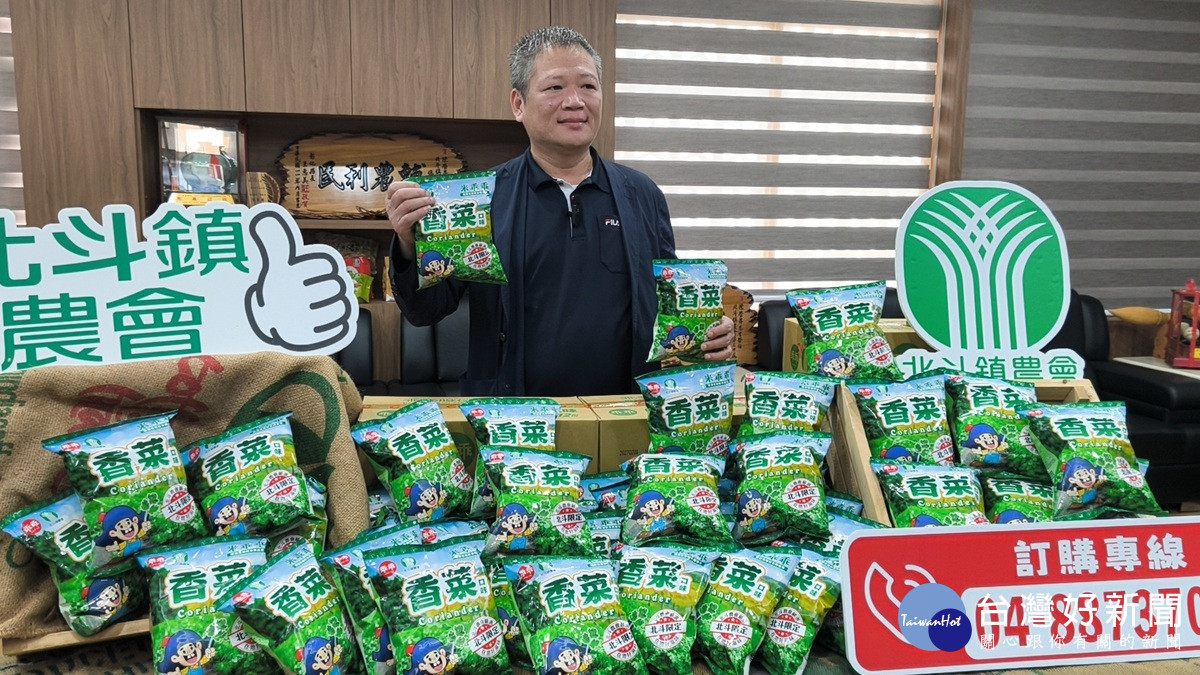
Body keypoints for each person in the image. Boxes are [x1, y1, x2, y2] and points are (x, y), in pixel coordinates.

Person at [385, 26, 734, 396]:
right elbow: (425, 311)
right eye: (555, 87)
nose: (575, 101)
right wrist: (409, 244)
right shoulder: (479, 199)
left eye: (588, 86)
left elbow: (671, 303)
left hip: (624, 412)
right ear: (518, 104)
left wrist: (709, 331)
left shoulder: (642, 194)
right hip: (516, 417)